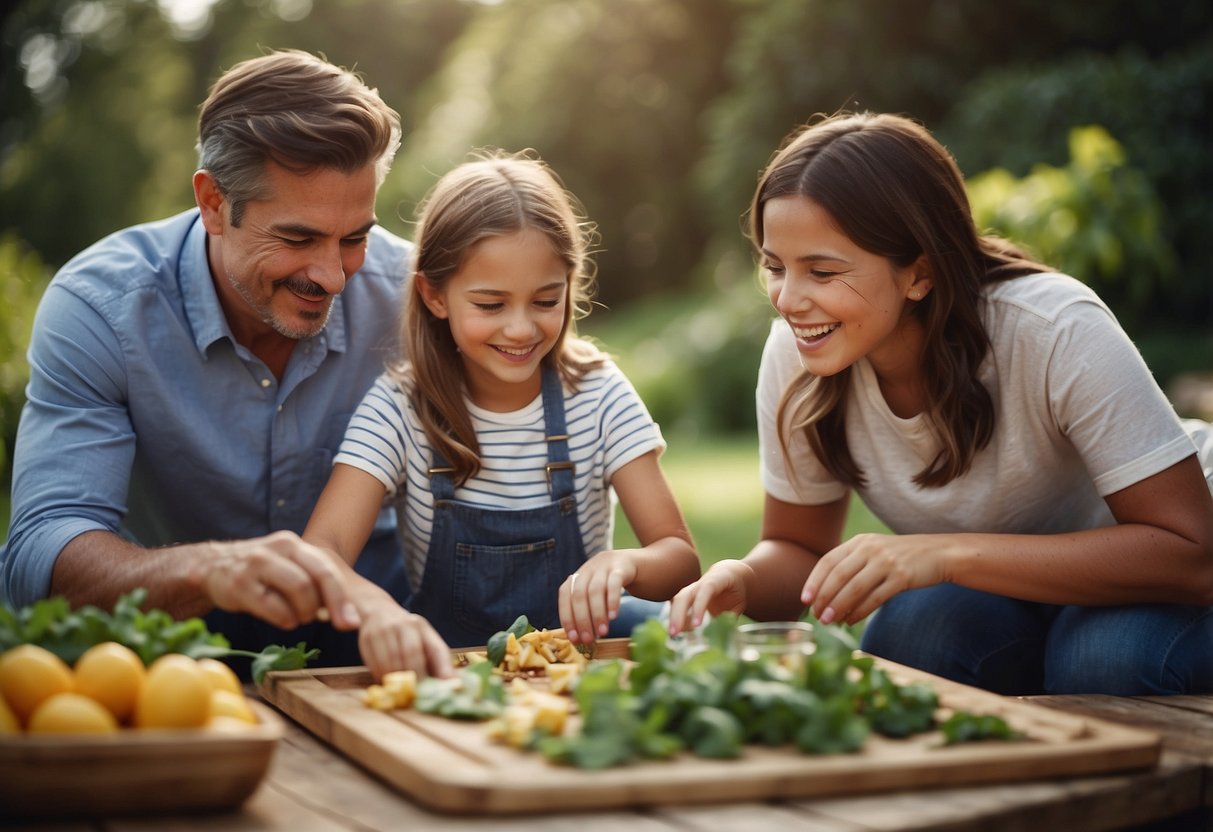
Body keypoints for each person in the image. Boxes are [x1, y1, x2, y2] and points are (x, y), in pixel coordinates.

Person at [668, 111, 1213, 696]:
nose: (788, 300)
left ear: (919, 274)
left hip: (1161, 573)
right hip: (1010, 590)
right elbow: (798, 547)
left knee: (1100, 659)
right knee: (912, 638)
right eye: (775, 267)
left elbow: (1190, 554)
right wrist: (743, 579)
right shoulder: (800, 353)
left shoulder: (1053, 329)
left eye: (821, 272)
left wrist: (946, 555)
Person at [1, 49, 443, 671]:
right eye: (297, 239)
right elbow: (38, 556)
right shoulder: (98, 309)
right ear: (213, 203)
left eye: (354, 238)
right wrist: (207, 571)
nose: (333, 276)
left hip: (378, 649)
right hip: (175, 656)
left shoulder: (413, 299)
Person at [302, 150, 701, 677]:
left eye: (544, 301)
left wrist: (623, 563)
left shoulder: (598, 394)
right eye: (491, 305)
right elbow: (321, 550)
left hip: (575, 671)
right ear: (435, 295)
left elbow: (680, 558)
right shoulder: (400, 408)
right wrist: (375, 608)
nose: (520, 329)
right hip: (452, 678)